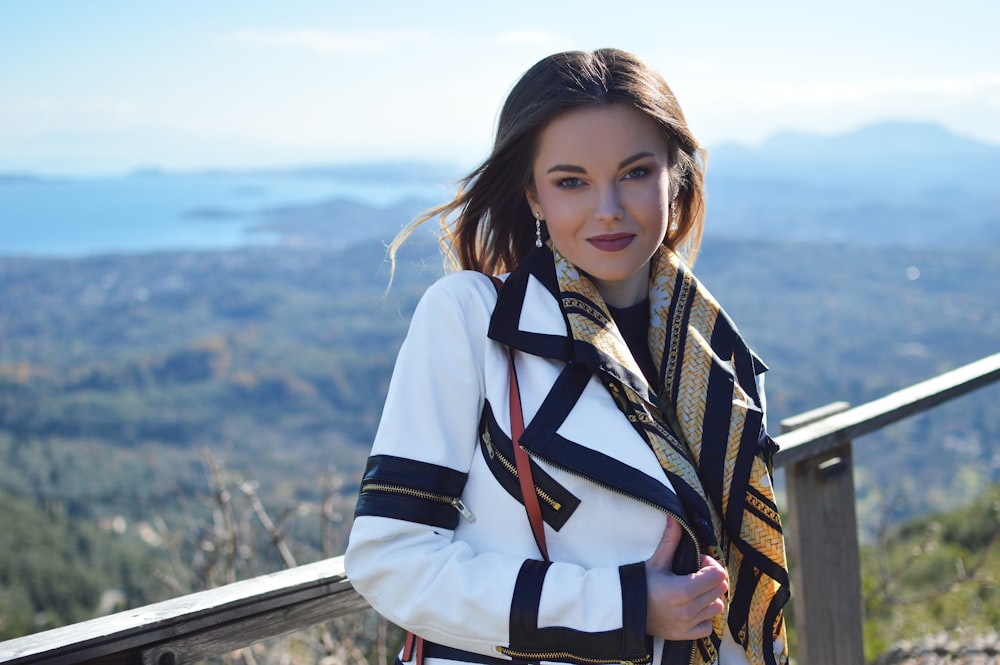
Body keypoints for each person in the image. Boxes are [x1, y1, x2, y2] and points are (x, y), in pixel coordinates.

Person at [344, 48, 789, 665]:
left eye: (635, 172)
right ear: (532, 194)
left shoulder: (715, 355)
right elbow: (388, 558)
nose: (607, 208)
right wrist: (624, 606)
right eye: (571, 181)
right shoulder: (473, 319)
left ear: (674, 175)